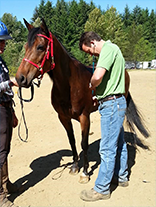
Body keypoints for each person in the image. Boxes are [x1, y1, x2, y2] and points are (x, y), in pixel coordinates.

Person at [79, 31, 128, 201]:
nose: (90, 54)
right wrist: (100, 94)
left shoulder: (107, 49)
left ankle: (101, 189)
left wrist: (92, 85)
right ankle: (121, 176)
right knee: (119, 142)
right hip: (117, 101)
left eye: (89, 51)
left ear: (92, 42)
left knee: (106, 148)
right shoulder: (114, 49)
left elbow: (98, 76)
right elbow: (110, 81)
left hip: (112, 105)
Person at [0, 21, 19, 207]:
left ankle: (6, 184)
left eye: (4, 42)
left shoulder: (1, 62)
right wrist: (10, 84)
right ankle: (0, 195)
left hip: (5, 107)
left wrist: (11, 111)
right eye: (1, 42)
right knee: (0, 151)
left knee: (6, 149)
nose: (4, 45)